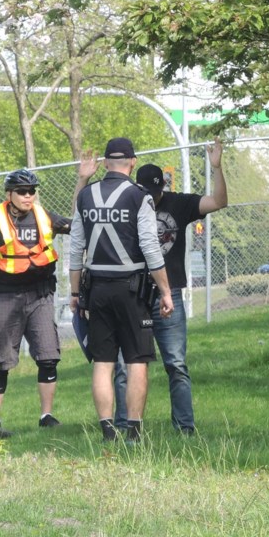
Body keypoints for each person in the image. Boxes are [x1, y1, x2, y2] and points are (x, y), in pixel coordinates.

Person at [0, 168, 83, 436]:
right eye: (22, 192)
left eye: (32, 191)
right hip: (4, 295)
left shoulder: (43, 216)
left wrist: (83, 181)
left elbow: (78, 227)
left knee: (48, 356)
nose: (28, 196)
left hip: (40, 295)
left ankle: (46, 415)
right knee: (1, 360)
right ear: (9, 194)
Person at [113, 137, 228, 435]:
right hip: (133, 291)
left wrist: (216, 168)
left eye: (157, 192)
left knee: (176, 363)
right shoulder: (128, 202)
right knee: (126, 365)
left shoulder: (179, 203)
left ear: (163, 187)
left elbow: (218, 202)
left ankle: (185, 428)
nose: (153, 198)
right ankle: (125, 425)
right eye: (148, 193)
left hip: (170, 292)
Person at [68, 137, 174, 443]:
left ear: (104, 163)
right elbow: (151, 248)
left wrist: (75, 294)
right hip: (131, 291)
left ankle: (106, 431)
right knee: (136, 360)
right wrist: (165, 291)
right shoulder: (139, 196)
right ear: (133, 162)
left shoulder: (86, 196)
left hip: (96, 289)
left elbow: (76, 248)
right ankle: (134, 432)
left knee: (103, 361)